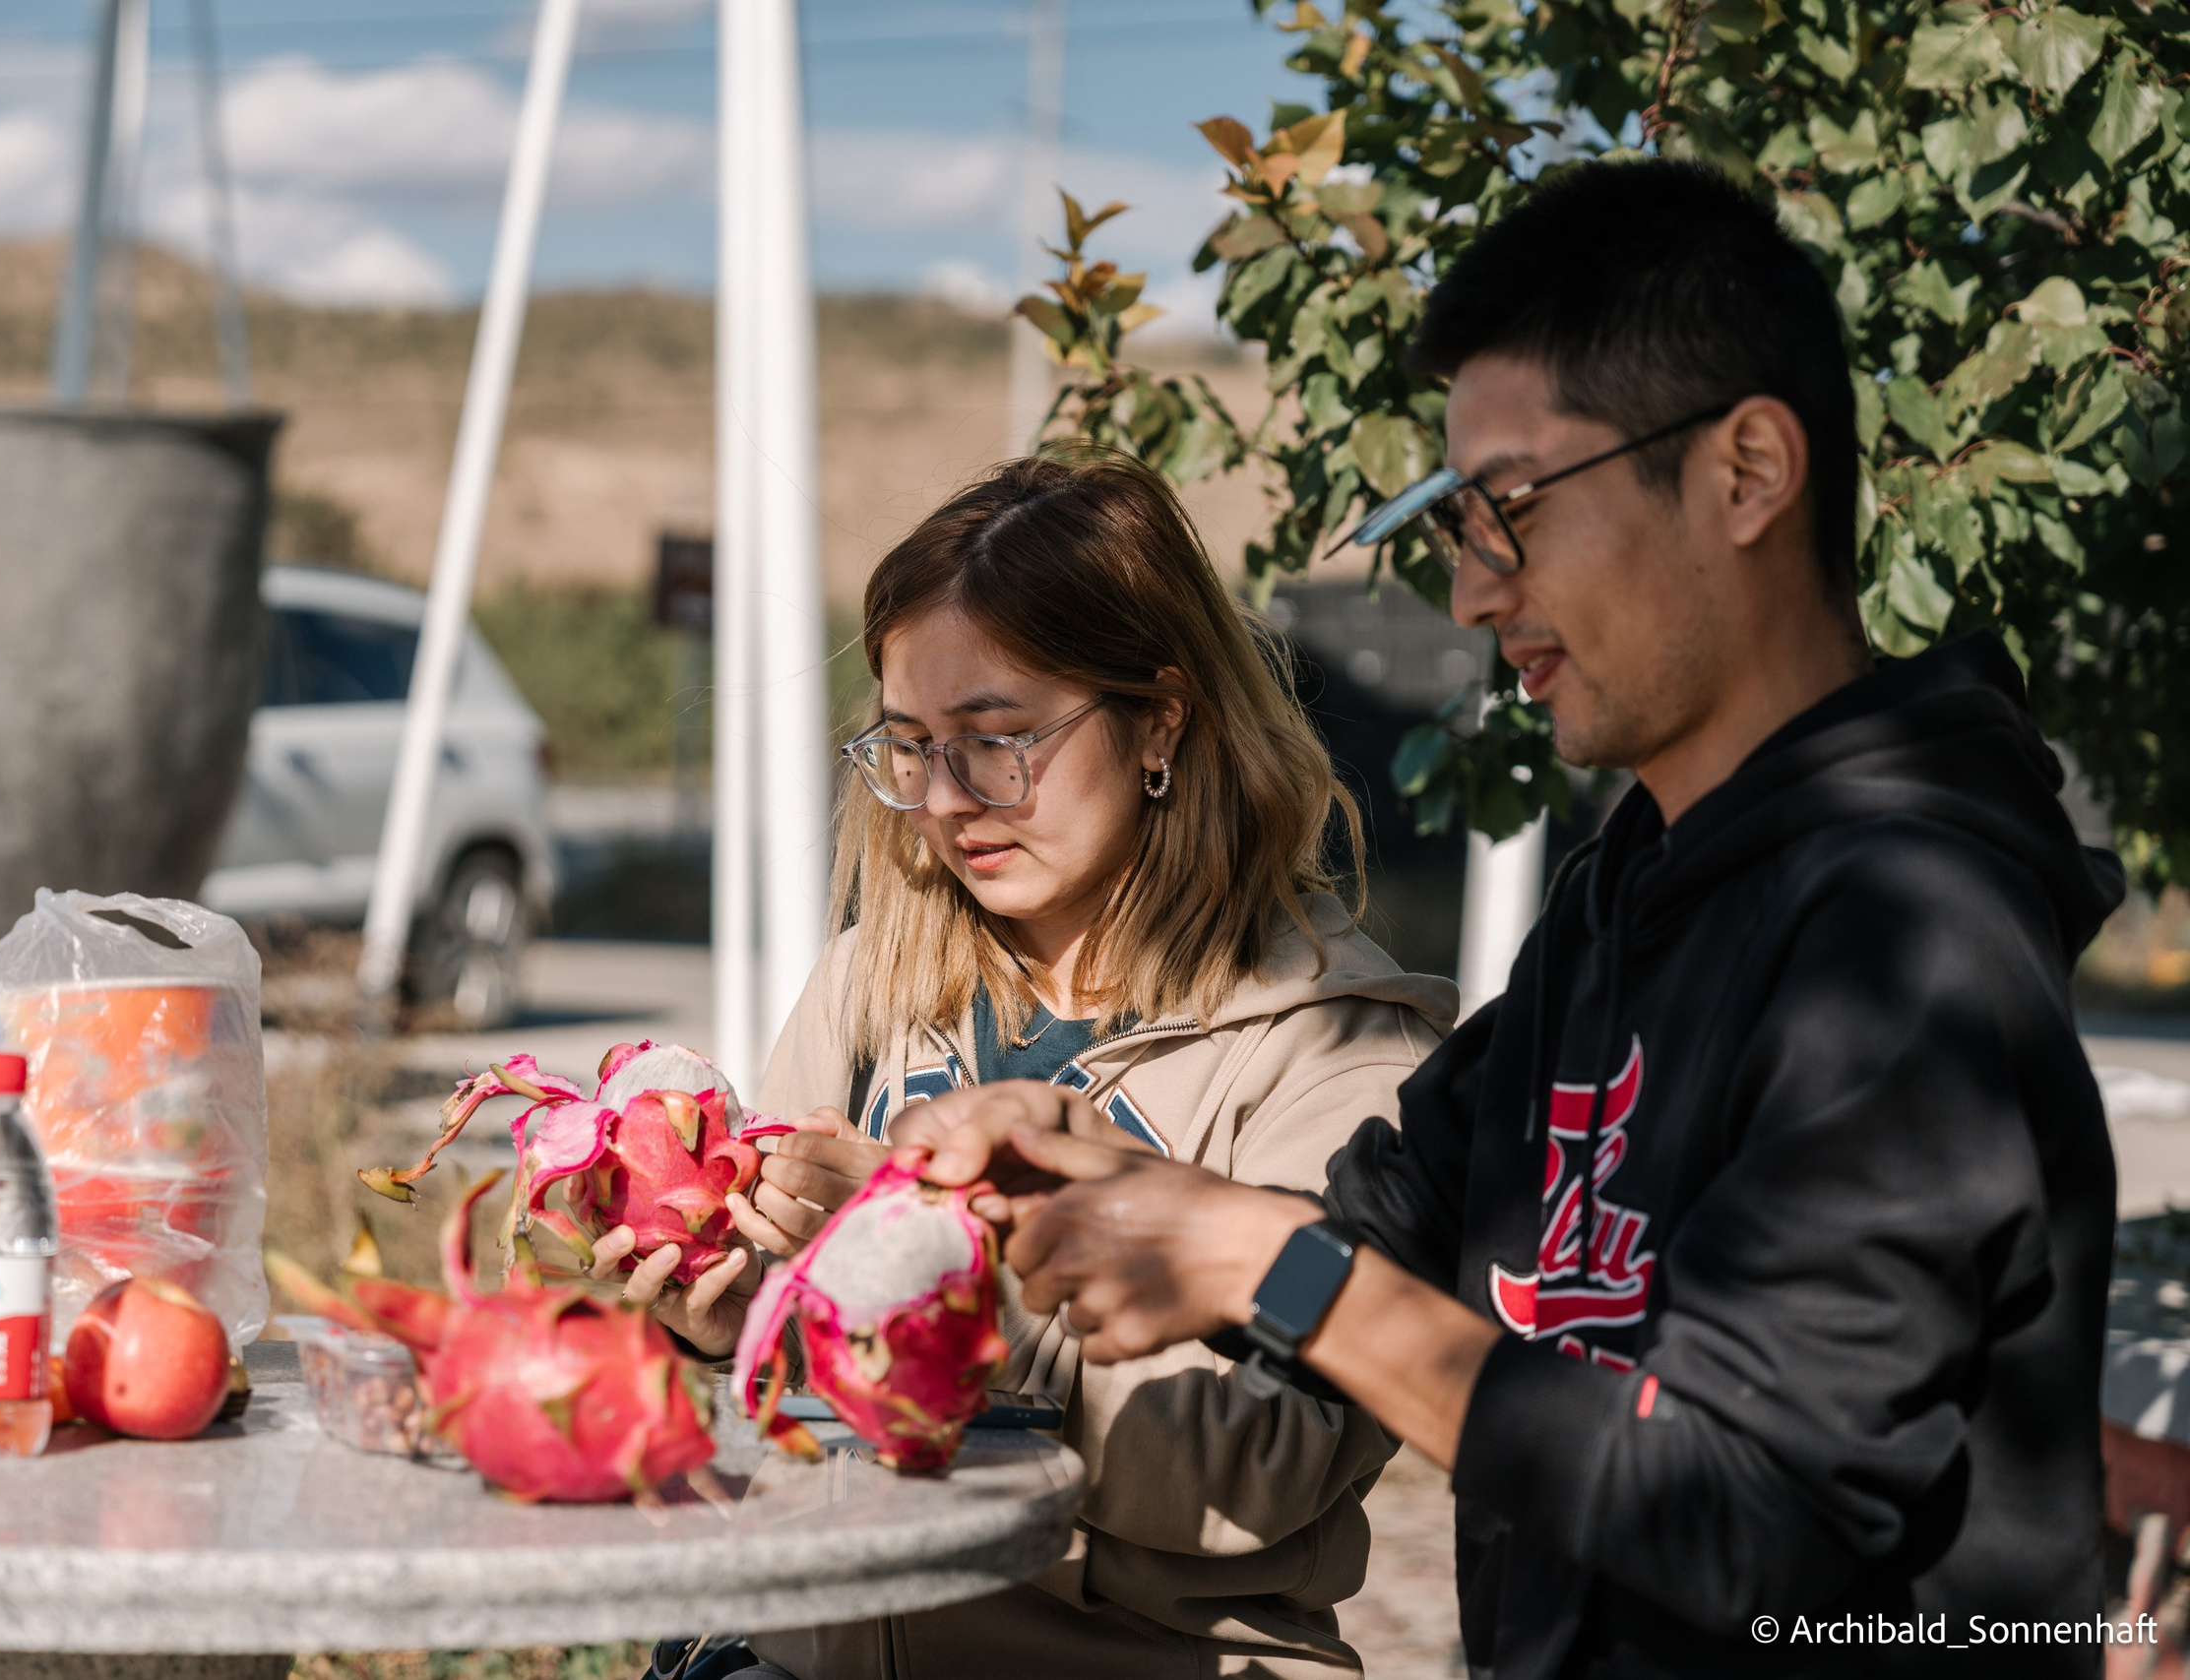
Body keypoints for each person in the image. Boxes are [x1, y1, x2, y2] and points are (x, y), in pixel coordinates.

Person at [898, 159, 2123, 1678]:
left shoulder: (1908, 930)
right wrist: (1091, 1179)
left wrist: (1274, 1265)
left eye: (1513, 511)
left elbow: (1748, 1509)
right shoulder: (1629, 888)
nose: (1474, 590)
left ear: (1747, 470)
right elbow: (1388, 1213)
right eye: (1453, 521)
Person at [603, 448, 1458, 1679]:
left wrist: (934, 1294)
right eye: (909, 747)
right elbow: (772, 1424)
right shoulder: (872, 985)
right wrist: (725, 1324)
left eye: (997, 741)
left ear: (1161, 719)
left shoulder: (1332, 1044)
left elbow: (1259, 1466)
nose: (948, 799)